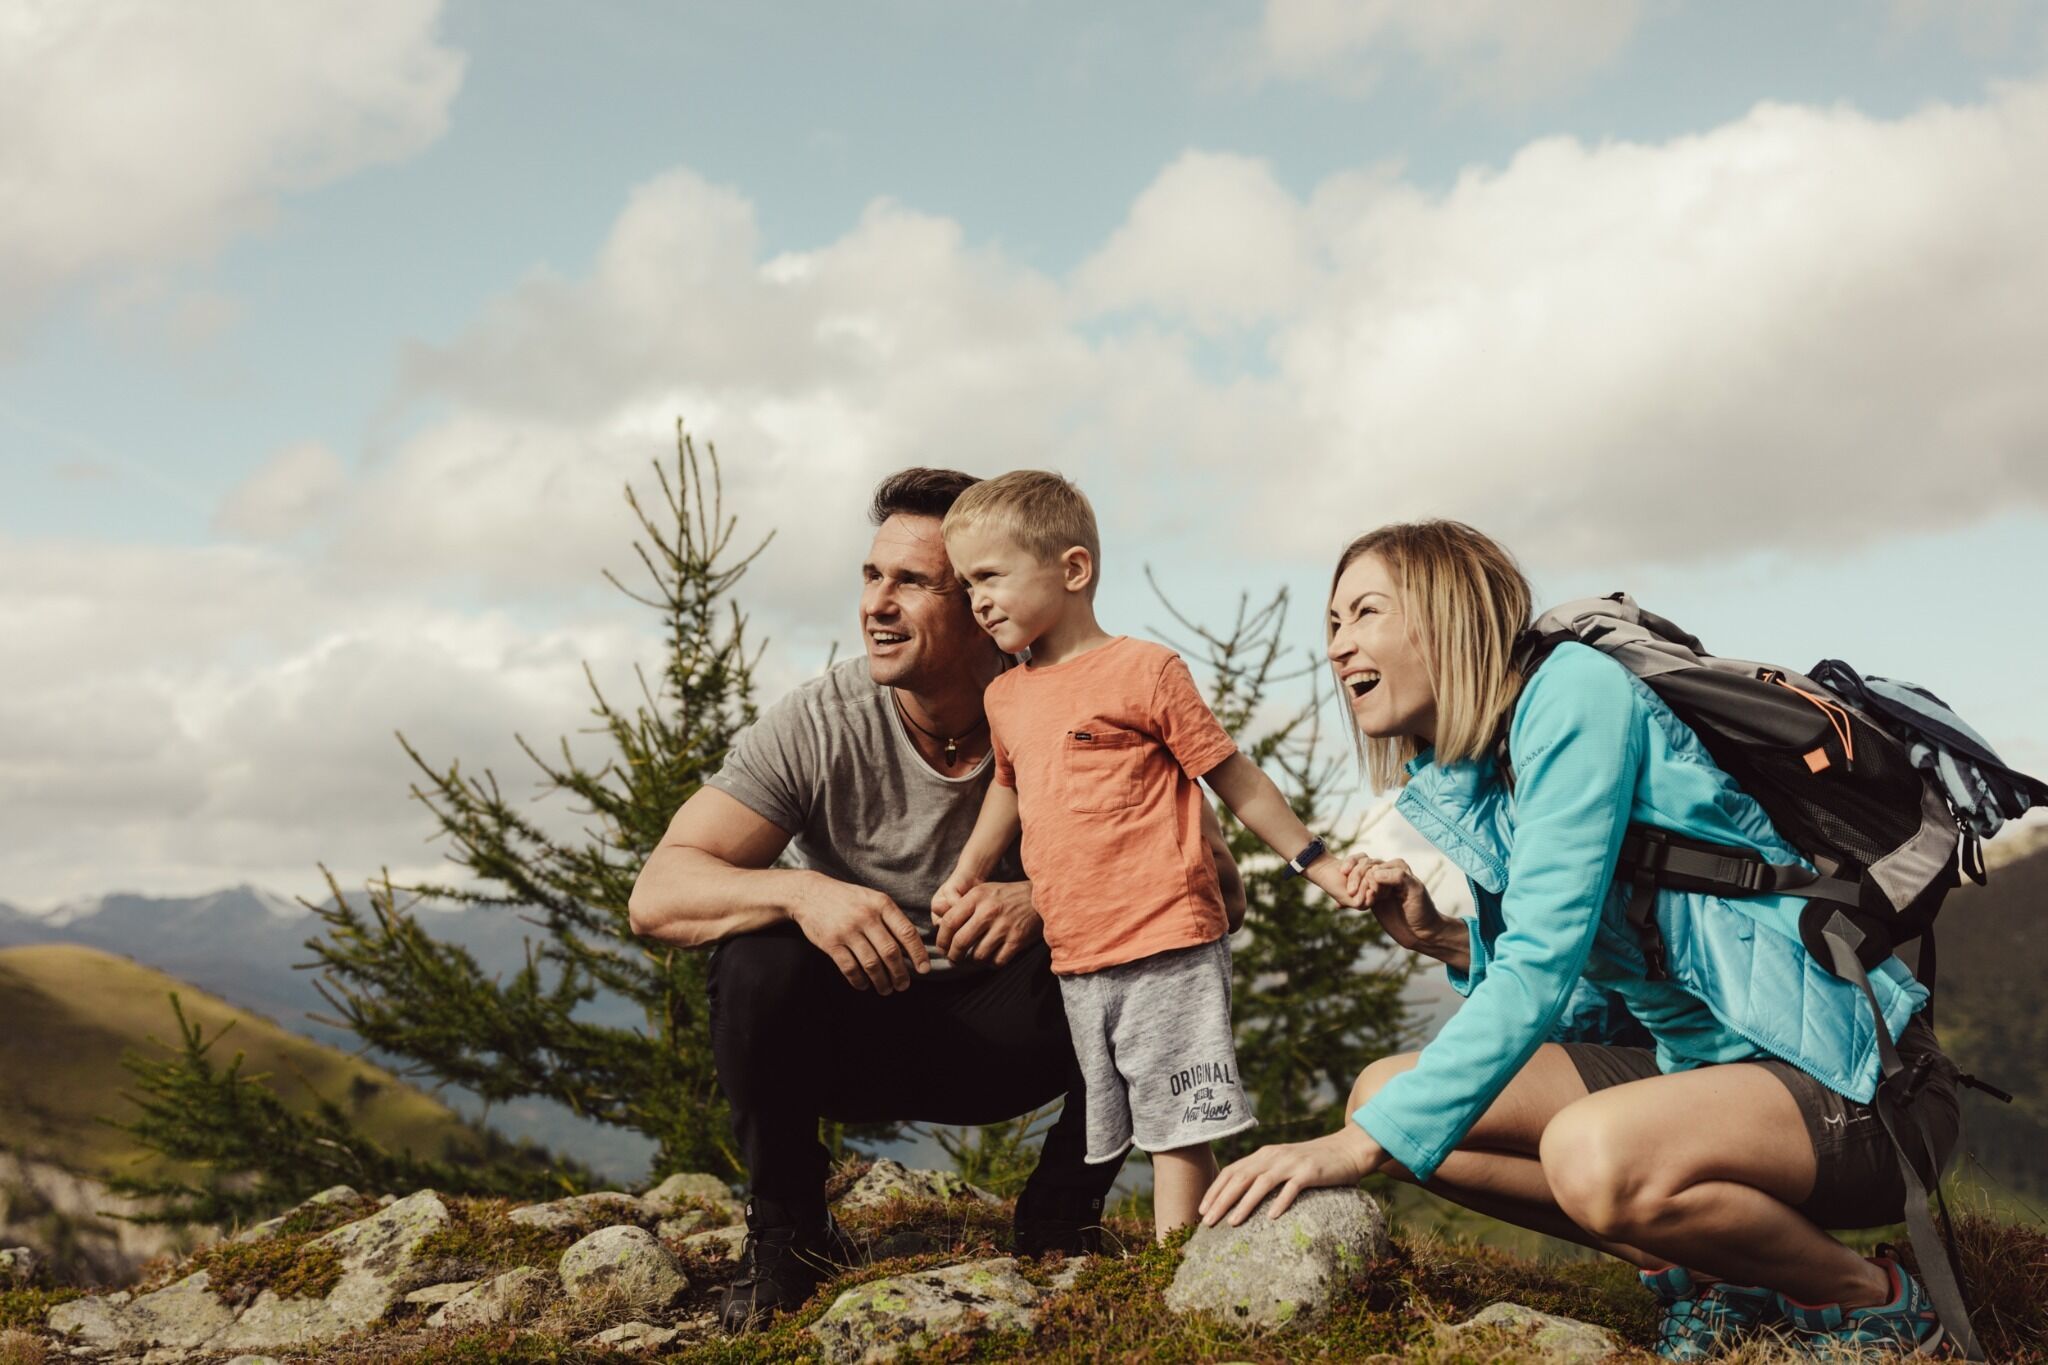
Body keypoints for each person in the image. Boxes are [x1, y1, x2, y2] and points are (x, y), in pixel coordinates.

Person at [1198, 520, 1961, 1360]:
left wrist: (1350, 1150)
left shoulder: (1572, 694)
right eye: (1333, 622)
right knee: (1387, 1099)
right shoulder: (1489, 766)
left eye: (1366, 612)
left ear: (1448, 612)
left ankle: (1877, 1300)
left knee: (1577, 1152)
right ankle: (1720, 1274)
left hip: (1858, 1085)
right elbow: (1592, 989)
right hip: (1702, 1072)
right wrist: (1445, 940)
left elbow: (1540, 967)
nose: (1338, 645)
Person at [627, 467, 1244, 1333]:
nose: (876, 605)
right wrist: (804, 892)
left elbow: (1220, 891)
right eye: (871, 576)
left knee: (1154, 944)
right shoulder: (820, 721)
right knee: (756, 956)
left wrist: (1048, 898)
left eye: (912, 582)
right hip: (857, 1031)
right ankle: (790, 1238)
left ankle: (1060, 1217)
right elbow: (658, 893)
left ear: (982, 604)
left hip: (1017, 1033)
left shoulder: (1089, 700)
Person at [933, 470, 1363, 1242]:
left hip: (1167, 932)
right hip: (1079, 946)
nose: (979, 601)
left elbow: (1235, 777)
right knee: (1133, 1113)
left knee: (1177, 1123)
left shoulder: (1146, 671)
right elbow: (1009, 786)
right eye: (967, 585)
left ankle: (1176, 1268)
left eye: (991, 576)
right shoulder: (1006, 695)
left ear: (1072, 569)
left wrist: (1318, 863)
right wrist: (966, 873)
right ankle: (1177, 1249)